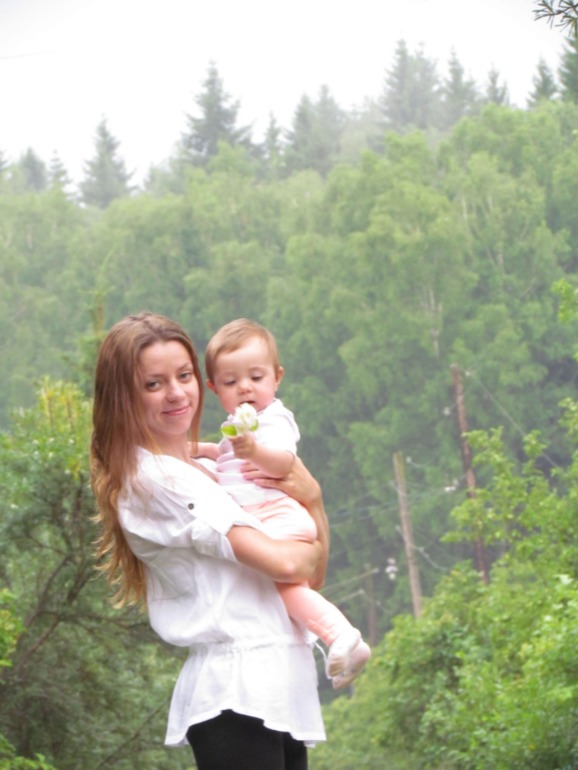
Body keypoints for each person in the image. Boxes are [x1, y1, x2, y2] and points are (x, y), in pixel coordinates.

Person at [90, 312, 331, 770]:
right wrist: (312, 509)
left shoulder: (213, 469)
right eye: (154, 384)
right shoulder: (156, 481)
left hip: (278, 683)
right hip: (234, 694)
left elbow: (309, 578)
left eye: (183, 376)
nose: (176, 393)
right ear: (124, 397)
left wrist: (314, 502)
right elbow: (288, 564)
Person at [198, 318, 370, 689]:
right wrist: (199, 450)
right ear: (214, 388)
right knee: (288, 592)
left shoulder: (273, 419)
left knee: (283, 586)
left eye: (256, 377)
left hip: (277, 516)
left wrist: (253, 451)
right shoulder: (237, 430)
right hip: (267, 518)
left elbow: (283, 463)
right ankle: (344, 641)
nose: (245, 387)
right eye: (230, 382)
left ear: (277, 378)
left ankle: (342, 635)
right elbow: (222, 453)